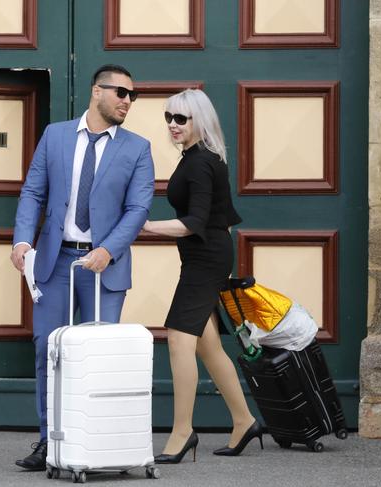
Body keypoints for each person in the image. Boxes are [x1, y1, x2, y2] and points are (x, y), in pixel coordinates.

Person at [10, 65, 155, 471]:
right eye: (121, 93)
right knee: (48, 352)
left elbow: (139, 208)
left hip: (103, 267)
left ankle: (94, 446)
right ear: (97, 91)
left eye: (132, 96)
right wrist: (23, 239)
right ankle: (48, 442)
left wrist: (108, 250)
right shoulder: (55, 135)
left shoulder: (138, 148)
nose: (128, 101)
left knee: (97, 357)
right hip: (56, 261)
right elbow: (34, 190)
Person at [143, 89, 262, 463]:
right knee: (206, 345)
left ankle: (183, 431)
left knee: (178, 338)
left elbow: (195, 223)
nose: (173, 125)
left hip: (204, 259)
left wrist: (143, 226)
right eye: (169, 118)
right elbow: (220, 218)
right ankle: (244, 421)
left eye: (182, 118)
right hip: (205, 257)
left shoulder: (200, 163)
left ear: (199, 120)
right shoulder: (201, 158)